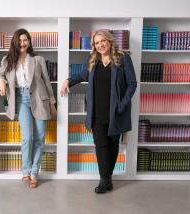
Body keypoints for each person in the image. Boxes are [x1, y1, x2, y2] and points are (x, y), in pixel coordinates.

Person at [60, 29, 137, 193]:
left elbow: (132, 84)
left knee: (113, 144)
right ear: (94, 46)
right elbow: (82, 75)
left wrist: (122, 105)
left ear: (109, 41)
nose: (100, 45)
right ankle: (104, 180)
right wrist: (68, 80)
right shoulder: (93, 59)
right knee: (100, 145)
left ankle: (107, 178)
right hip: (96, 111)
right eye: (96, 43)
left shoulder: (123, 58)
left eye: (103, 41)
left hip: (115, 111)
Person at [0, 28, 56, 188]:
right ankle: (25, 171)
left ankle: (34, 173)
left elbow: (47, 82)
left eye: (25, 40)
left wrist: (52, 102)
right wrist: (1, 81)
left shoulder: (38, 60)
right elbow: (0, 74)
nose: (23, 43)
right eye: (20, 40)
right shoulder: (7, 60)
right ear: (15, 42)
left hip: (39, 99)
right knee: (27, 137)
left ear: (29, 42)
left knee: (40, 138)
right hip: (20, 99)